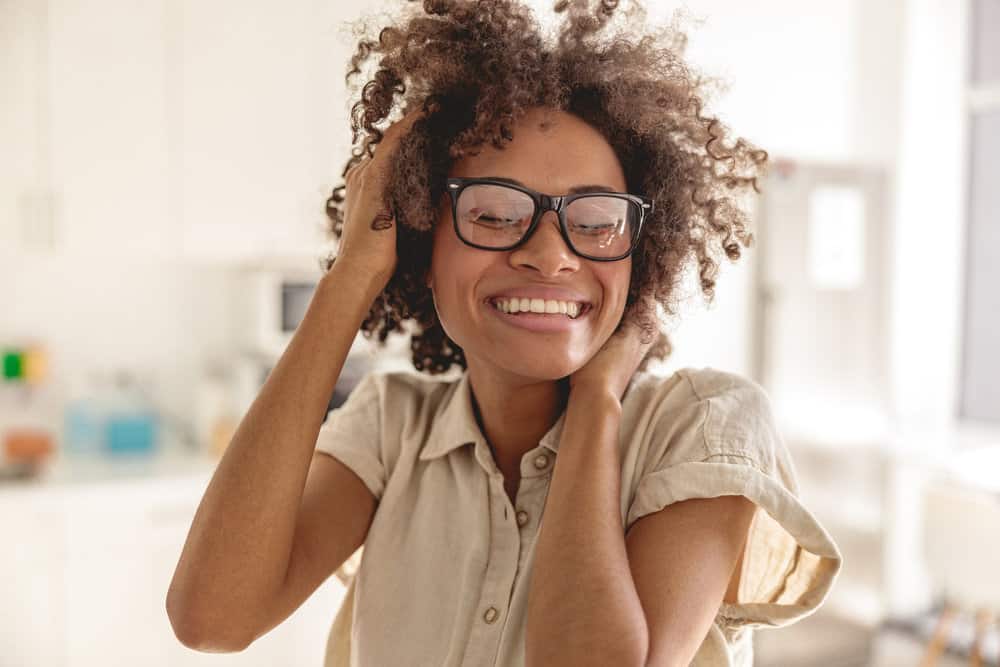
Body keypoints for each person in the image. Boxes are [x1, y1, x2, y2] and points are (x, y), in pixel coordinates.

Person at [166, 1, 843, 666]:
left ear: (638, 255)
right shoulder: (389, 429)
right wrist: (350, 275)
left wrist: (594, 405)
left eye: (596, 219)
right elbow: (212, 617)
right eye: (492, 214)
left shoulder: (701, 426)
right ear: (422, 248)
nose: (551, 255)